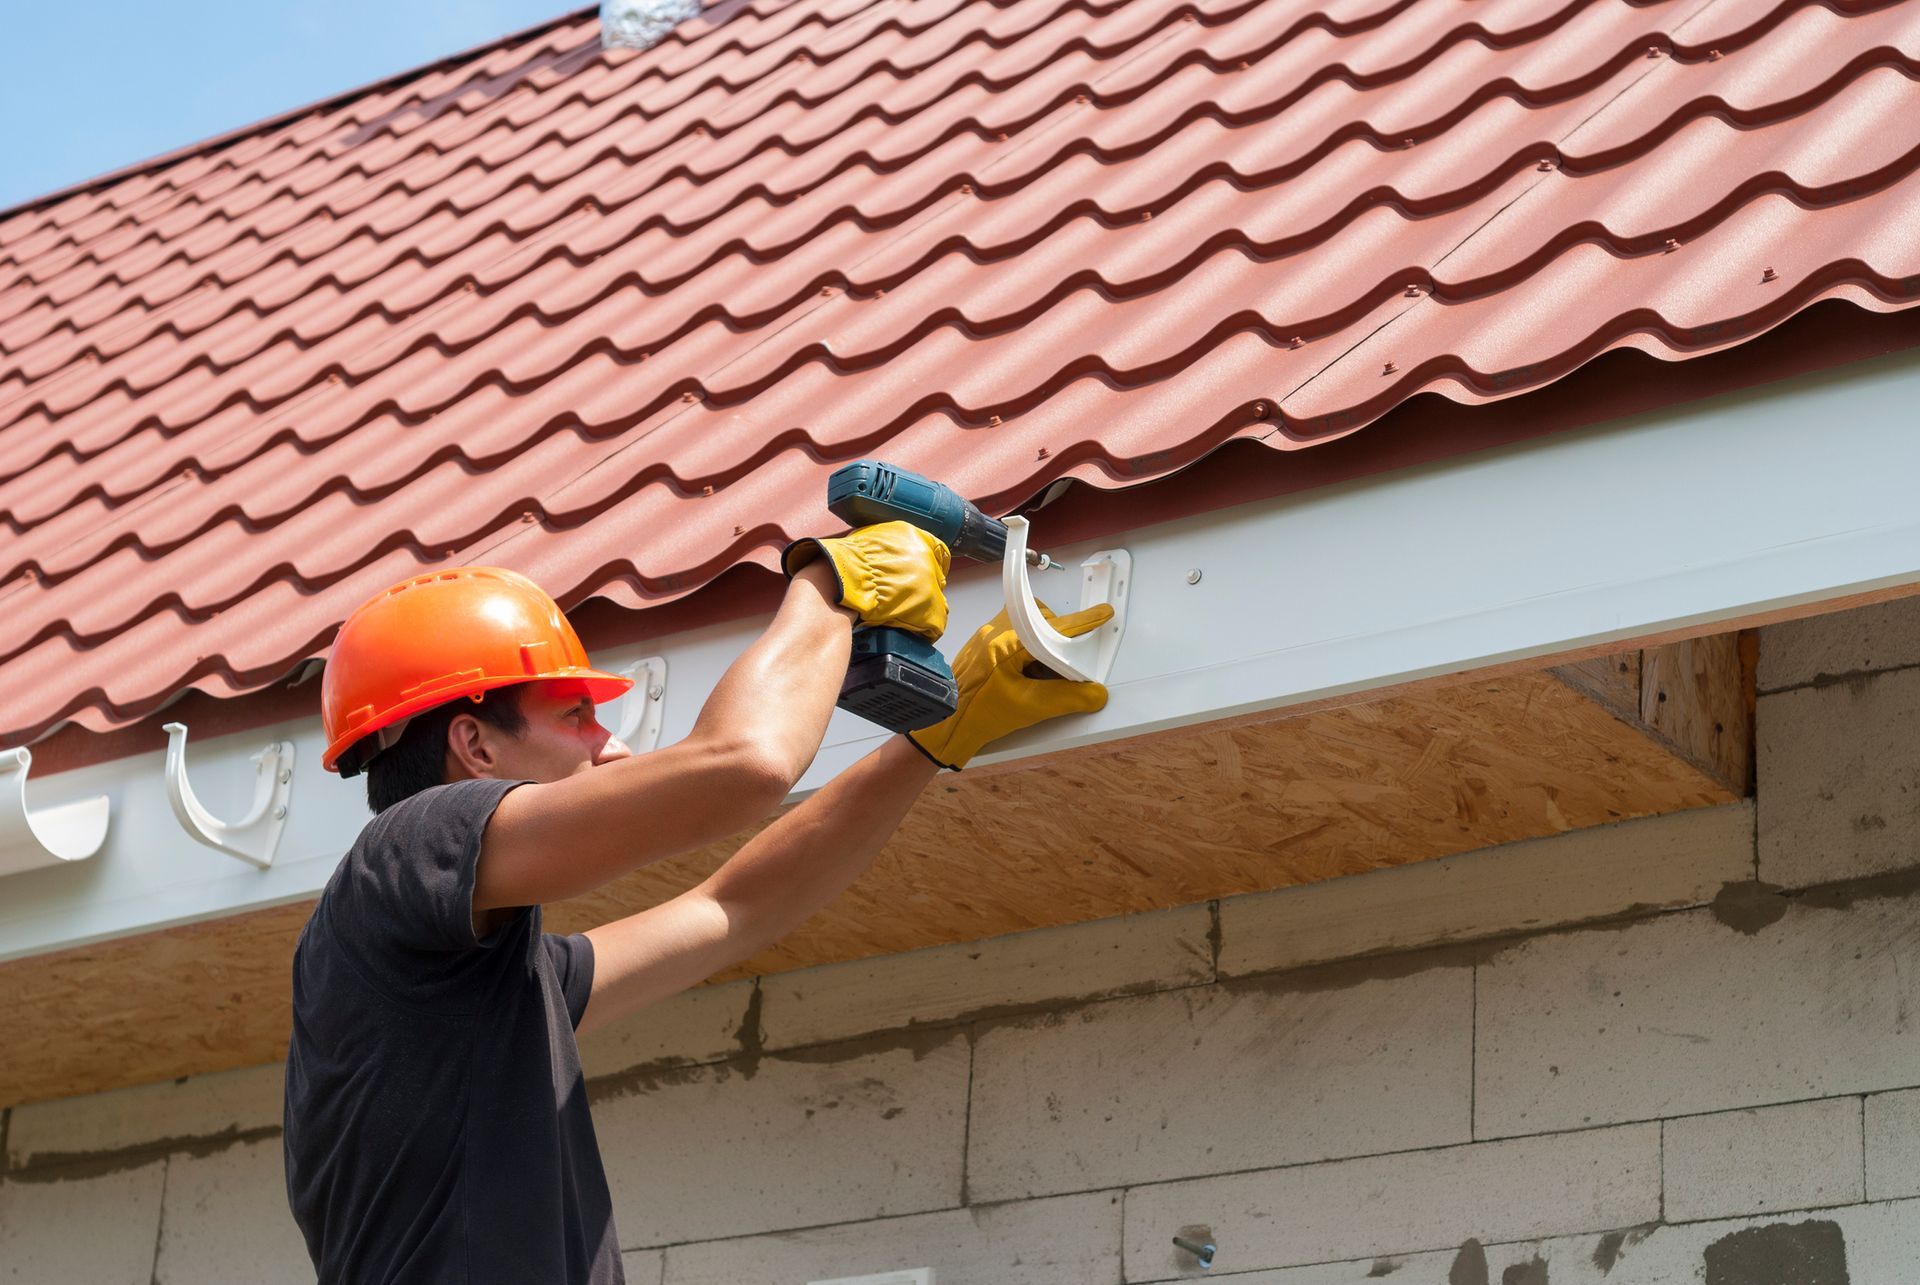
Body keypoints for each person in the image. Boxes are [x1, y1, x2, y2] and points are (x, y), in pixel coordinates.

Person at [282, 520, 1113, 1283]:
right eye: (576, 717)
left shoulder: (478, 982)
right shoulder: (407, 848)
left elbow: (735, 909)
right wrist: (828, 588)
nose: (612, 747)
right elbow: (745, 761)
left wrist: (936, 737)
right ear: (474, 742)